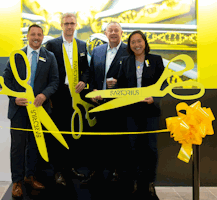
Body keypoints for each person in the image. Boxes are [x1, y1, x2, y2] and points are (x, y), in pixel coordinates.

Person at [3, 24, 59, 198]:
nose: (36, 37)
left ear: (43, 37)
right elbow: (6, 81)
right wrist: (14, 98)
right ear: (27, 36)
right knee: (18, 147)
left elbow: (55, 81)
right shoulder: (16, 56)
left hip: (39, 109)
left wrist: (44, 95)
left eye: (39, 35)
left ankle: (30, 177)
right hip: (19, 110)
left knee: (34, 146)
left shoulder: (49, 57)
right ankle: (17, 182)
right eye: (33, 34)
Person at [117, 30, 165, 199]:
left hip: (150, 112)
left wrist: (155, 98)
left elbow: (164, 85)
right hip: (131, 112)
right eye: (132, 42)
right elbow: (120, 87)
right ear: (129, 45)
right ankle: (135, 183)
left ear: (145, 42)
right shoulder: (125, 61)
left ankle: (150, 183)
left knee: (150, 149)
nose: (136, 44)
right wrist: (106, 92)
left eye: (139, 41)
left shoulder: (156, 60)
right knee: (132, 148)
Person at [45, 13, 90, 186]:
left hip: (77, 96)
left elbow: (86, 69)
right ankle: (58, 172)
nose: (69, 26)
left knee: (73, 134)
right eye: (66, 23)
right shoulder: (52, 44)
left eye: (72, 23)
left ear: (76, 25)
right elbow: (47, 71)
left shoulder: (82, 45)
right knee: (58, 134)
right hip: (58, 95)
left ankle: (70, 168)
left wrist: (84, 81)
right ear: (61, 25)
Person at [84, 22, 129, 184]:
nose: (113, 33)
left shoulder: (128, 51)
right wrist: (91, 90)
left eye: (116, 30)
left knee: (118, 142)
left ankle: (117, 173)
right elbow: (90, 73)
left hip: (119, 106)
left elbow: (132, 78)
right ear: (105, 33)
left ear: (121, 33)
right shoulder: (97, 51)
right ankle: (96, 173)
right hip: (98, 104)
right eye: (110, 30)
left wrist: (118, 84)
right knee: (98, 142)